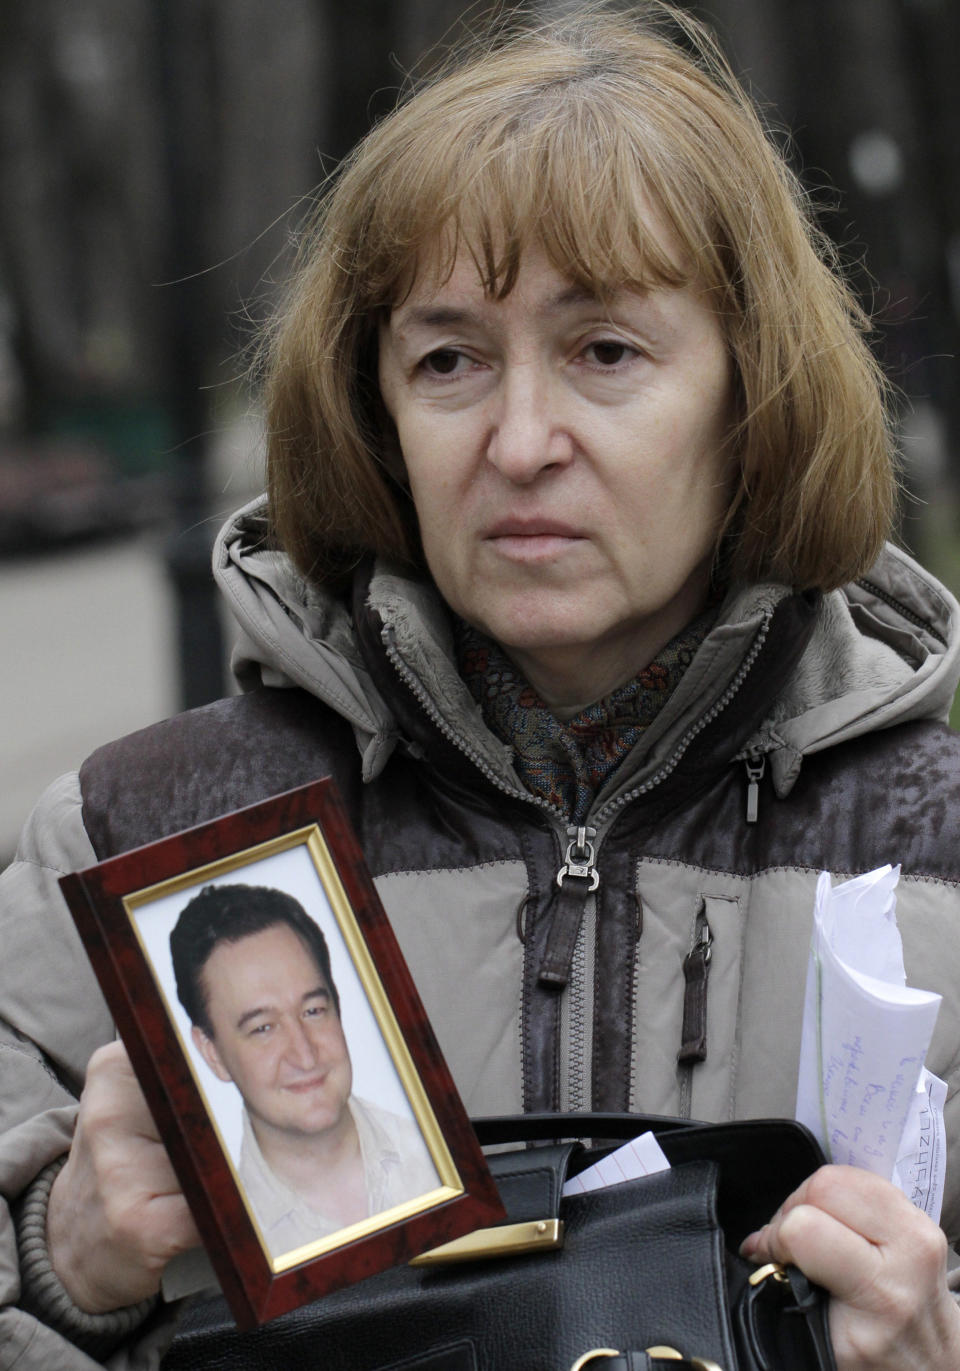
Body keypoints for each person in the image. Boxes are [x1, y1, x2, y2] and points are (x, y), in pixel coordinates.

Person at [1, 3, 959, 1368]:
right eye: (448, 358)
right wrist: (68, 1255)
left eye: (604, 350)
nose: (518, 442)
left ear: (757, 392)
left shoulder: (940, 858)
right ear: (374, 410)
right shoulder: (131, 835)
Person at [168, 883, 440, 1259]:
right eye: (262, 1028)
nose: (305, 1053)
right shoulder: (213, 1245)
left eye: (313, 1011)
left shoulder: (438, 1160)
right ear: (211, 1053)